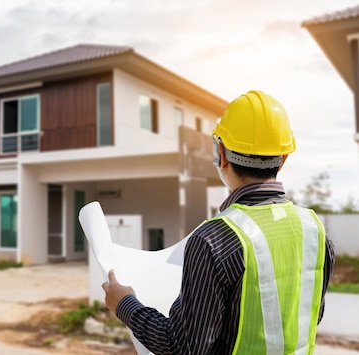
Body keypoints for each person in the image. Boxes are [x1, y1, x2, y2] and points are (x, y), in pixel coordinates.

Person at [102, 90, 335, 354]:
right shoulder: (315, 232)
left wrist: (125, 304)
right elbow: (309, 316)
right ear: (283, 159)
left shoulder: (215, 240)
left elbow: (183, 346)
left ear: (221, 154)